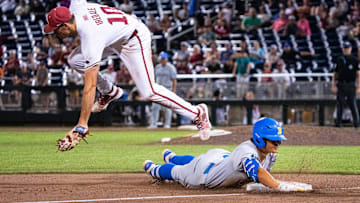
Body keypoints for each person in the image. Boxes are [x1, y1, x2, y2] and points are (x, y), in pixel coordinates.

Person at [45, 1, 212, 151]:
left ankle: (197, 113)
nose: (54, 33)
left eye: (55, 29)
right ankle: (110, 91)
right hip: (113, 36)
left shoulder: (90, 37)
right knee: (74, 60)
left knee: (149, 91)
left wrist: (82, 124)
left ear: (65, 25)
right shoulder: (76, 7)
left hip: (134, 38)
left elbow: (90, 85)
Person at [143, 117, 309, 192]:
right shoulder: (247, 151)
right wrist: (279, 186)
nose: (277, 144)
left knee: (193, 161)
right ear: (259, 138)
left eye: (278, 141)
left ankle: (172, 157)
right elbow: (257, 172)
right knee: (177, 172)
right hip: (203, 175)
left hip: (221, 159)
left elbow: (259, 175)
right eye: (274, 141)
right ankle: (154, 169)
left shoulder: (271, 154)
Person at [332, 41, 360, 128]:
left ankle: (356, 124)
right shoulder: (339, 59)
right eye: (344, 48)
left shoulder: (354, 60)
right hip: (341, 84)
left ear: (350, 49)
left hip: (350, 84)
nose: (346, 50)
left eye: (347, 48)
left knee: (352, 104)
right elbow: (335, 73)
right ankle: (338, 124)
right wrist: (333, 85)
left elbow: (358, 74)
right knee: (340, 104)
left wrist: (359, 86)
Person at [148, 52, 177, 129]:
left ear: (167, 59)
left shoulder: (171, 68)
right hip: (158, 89)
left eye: (163, 59)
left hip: (167, 89)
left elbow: (174, 80)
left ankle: (167, 124)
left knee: (167, 107)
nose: (162, 60)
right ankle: (154, 124)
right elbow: (154, 78)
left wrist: (173, 91)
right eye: (161, 59)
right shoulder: (157, 67)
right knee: (155, 107)